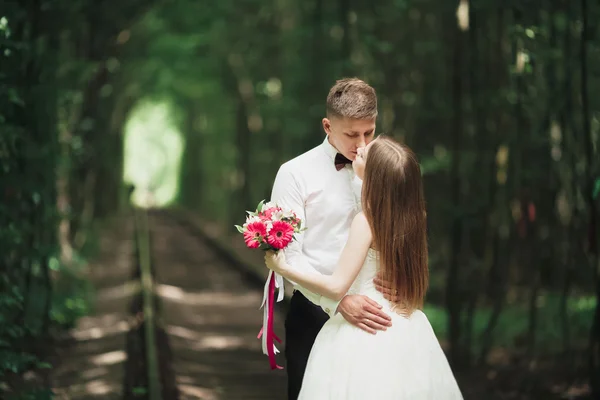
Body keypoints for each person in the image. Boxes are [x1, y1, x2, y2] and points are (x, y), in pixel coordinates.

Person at [266, 136, 463, 399]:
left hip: (363, 324)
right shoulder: (413, 217)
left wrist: (282, 267)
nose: (359, 148)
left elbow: (337, 287)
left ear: (374, 175)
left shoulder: (365, 221)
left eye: (365, 153)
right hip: (403, 324)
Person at [270, 78, 396, 399]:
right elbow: (290, 256)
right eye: (352, 134)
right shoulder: (294, 173)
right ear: (327, 125)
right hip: (313, 313)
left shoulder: (388, 170)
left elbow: (400, 233)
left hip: (377, 314)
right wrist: (337, 301)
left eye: (369, 132)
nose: (362, 144)